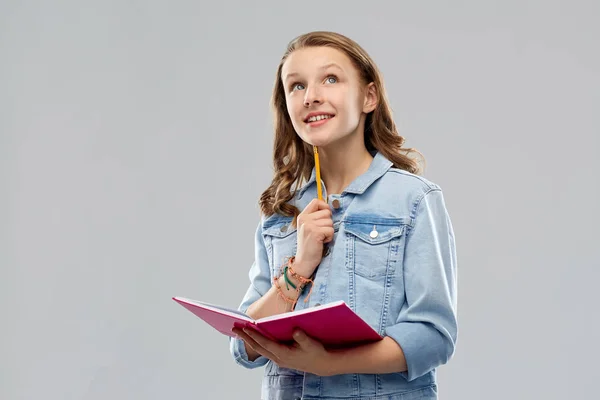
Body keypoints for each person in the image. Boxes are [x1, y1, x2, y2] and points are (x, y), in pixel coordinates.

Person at [229, 31, 458, 400]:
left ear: (368, 97)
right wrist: (300, 267)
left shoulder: (414, 199)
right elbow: (245, 346)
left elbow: (434, 336)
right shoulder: (280, 211)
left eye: (330, 79)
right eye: (296, 86)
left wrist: (332, 363)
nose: (311, 96)